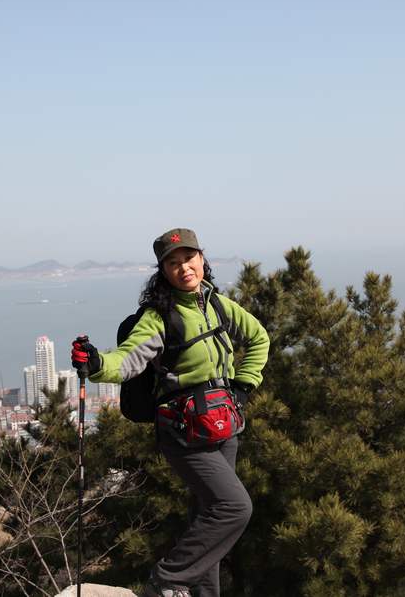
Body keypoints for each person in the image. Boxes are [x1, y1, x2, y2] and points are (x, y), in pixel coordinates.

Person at [71, 227, 270, 597]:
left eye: (189, 258)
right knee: (234, 507)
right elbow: (126, 360)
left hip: (224, 424)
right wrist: (97, 363)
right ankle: (167, 581)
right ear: (163, 270)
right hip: (185, 432)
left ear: (202, 259)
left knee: (208, 513)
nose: (184, 268)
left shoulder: (217, 304)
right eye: (173, 263)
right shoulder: (159, 316)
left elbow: (259, 338)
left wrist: (243, 387)